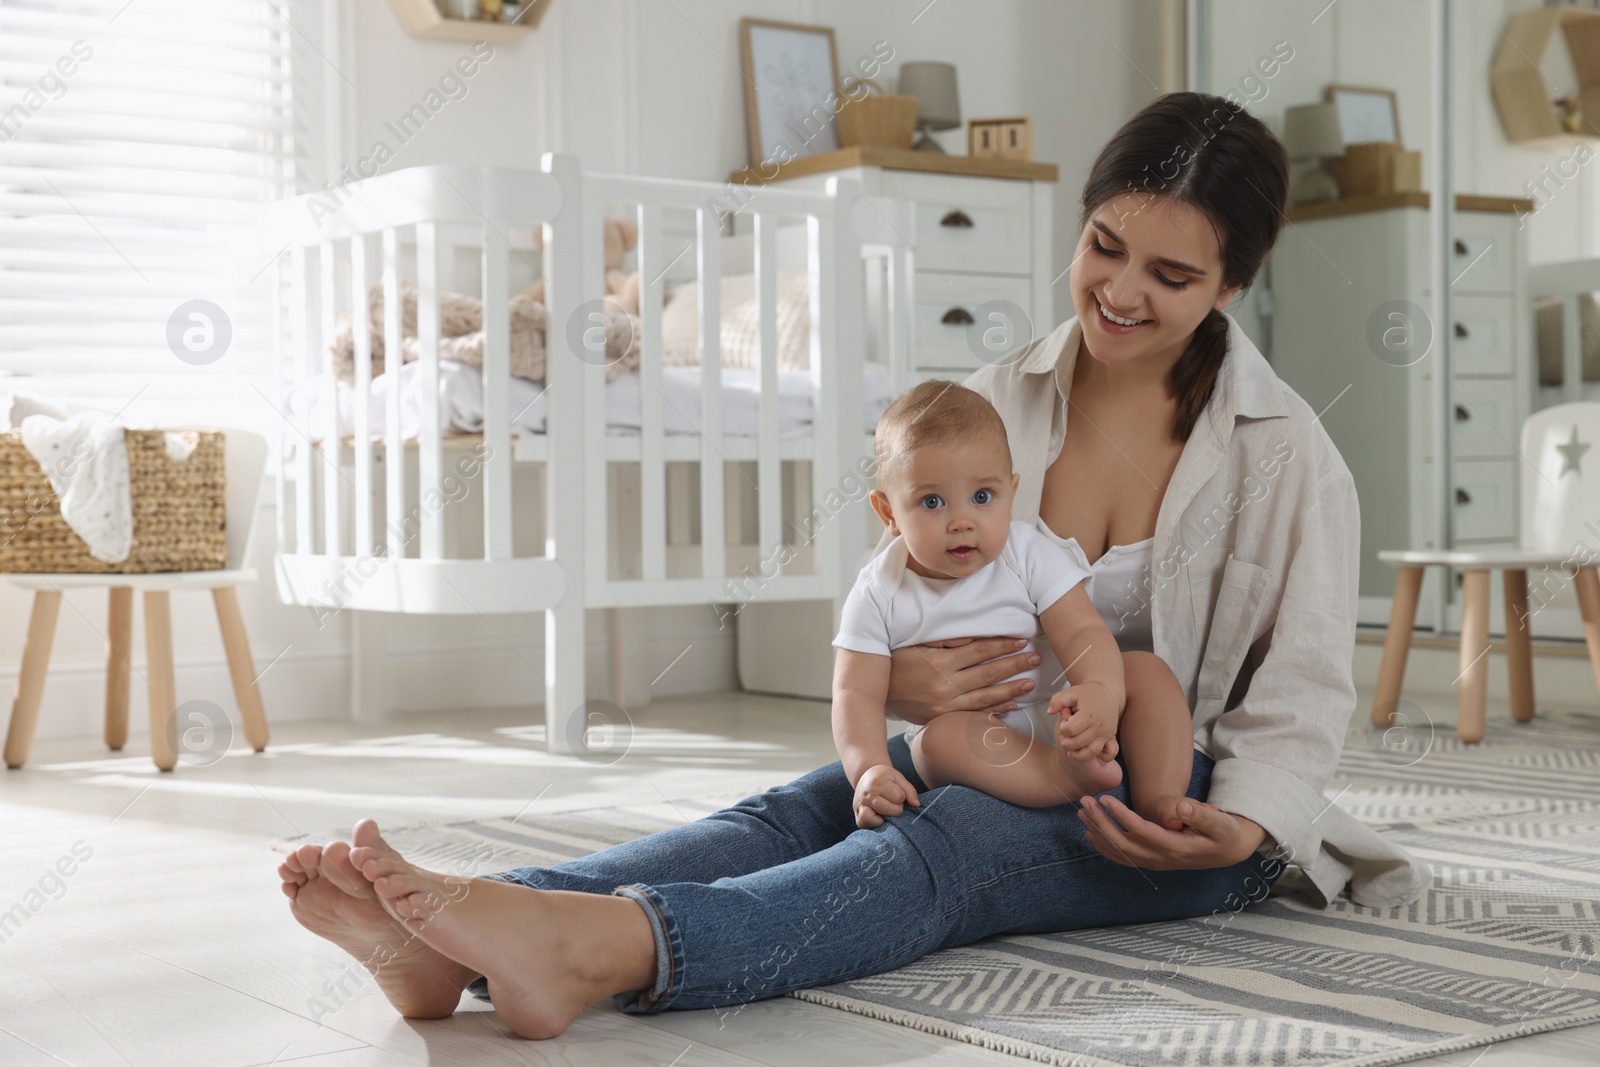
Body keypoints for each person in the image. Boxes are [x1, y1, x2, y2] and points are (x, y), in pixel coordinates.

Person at [277, 91, 1432, 1040]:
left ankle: (594, 949)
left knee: (959, 846)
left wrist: (1243, 826)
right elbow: (905, 606)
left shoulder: (1290, 457)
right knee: (814, 800)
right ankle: (454, 935)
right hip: (1000, 747)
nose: (1120, 293)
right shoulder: (985, 402)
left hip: (1181, 816)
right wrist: (915, 688)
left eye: (1170, 278)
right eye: (1103, 247)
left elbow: (1306, 691)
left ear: (1231, 286)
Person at [832, 379, 1196, 823]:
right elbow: (855, 694)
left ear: (1012, 491)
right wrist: (869, 769)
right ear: (889, 513)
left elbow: (1082, 629)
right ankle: (1059, 774)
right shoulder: (877, 591)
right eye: (932, 502)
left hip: (1065, 706)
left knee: (1144, 670)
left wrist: (1100, 691)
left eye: (982, 497)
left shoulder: (1026, 553)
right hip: (984, 738)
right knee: (936, 743)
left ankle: (1163, 798)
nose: (962, 521)